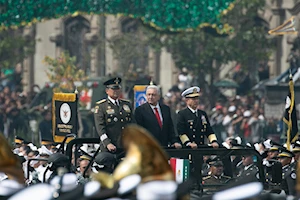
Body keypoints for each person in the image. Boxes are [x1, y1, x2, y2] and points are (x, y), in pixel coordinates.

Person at [94, 77, 134, 171]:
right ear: (107, 90)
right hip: (110, 147)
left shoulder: (126, 104)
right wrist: (107, 143)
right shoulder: (101, 106)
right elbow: (100, 128)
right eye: (113, 89)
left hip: (124, 146)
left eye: (118, 88)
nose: (116, 91)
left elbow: (132, 124)